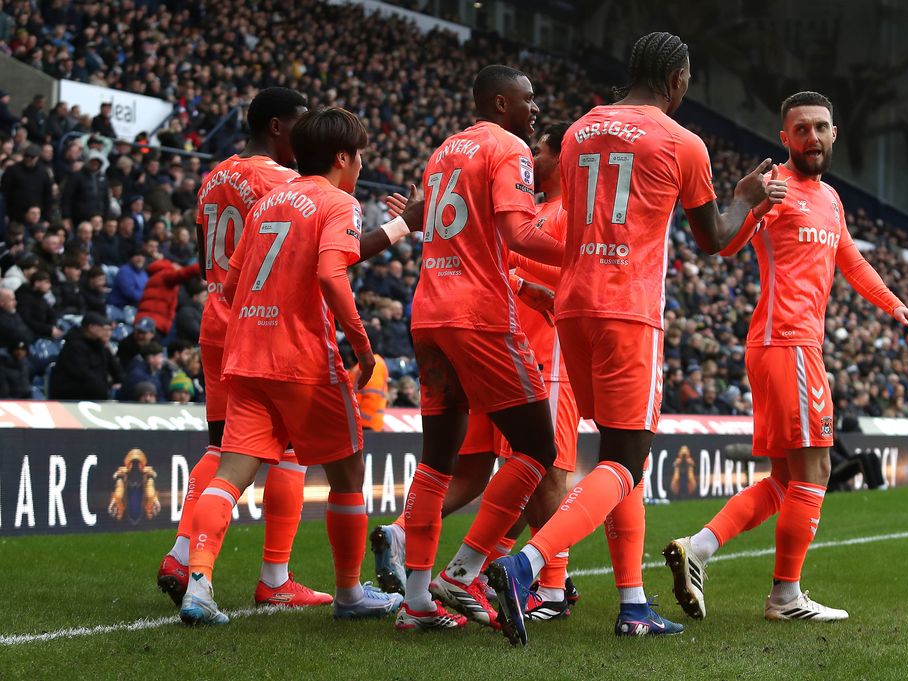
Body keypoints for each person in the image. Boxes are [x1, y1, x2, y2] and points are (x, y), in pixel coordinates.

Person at [487, 32, 779, 645]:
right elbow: (716, 238)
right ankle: (526, 565)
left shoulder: (578, 130)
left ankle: (633, 603)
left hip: (573, 308)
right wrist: (747, 199)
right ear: (676, 80)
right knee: (623, 460)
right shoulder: (682, 142)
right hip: (628, 310)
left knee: (625, 463)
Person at [663, 91, 908, 623]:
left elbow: (850, 260)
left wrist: (893, 303)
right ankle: (785, 597)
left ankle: (698, 549)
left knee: (785, 482)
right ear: (785, 138)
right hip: (788, 342)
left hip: (792, 346)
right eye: (800, 129)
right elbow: (727, 244)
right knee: (816, 470)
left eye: (820, 127)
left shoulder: (830, 199)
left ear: (834, 133)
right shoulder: (775, 188)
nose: (812, 137)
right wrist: (753, 201)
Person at [162, 87, 419, 609]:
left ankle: (194, 575)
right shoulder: (322, 195)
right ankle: (342, 591)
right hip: (299, 351)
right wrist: (364, 348)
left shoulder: (226, 182)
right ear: (343, 157)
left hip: (237, 342)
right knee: (344, 471)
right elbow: (332, 267)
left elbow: (230, 282)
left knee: (229, 464)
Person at [371, 123, 583, 622]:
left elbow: (489, 250)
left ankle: (418, 592)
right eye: (527, 101)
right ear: (504, 102)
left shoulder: (447, 150)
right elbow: (516, 241)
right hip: (501, 335)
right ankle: (502, 578)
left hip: (434, 314)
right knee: (541, 458)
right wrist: (590, 257)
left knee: (448, 464)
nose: (532, 119)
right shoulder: (516, 165)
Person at [48, 311, 121, 400]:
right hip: (72, 394)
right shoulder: (74, 346)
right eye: (103, 328)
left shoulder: (100, 344)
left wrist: (119, 382)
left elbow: (115, 371)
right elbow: (82, 374)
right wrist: (104, 386)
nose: (107, 333)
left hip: (95, 392)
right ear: (91, 327)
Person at [1, 144, 53, 224]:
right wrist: (5, 214)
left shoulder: (43, 172)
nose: (29, 159)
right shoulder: (13, 170)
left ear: (37, 157)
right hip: (15, 215)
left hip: (37, 217)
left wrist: (47, 218)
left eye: (32, 157)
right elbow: (5, 193)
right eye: (27, 156)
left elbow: (48, 195)